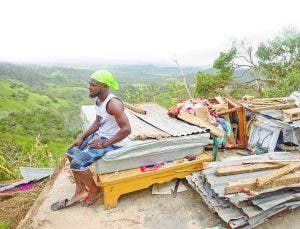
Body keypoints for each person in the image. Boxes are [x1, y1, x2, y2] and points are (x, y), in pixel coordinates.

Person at [51, 70, 131, 210]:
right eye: (90, 84)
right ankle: (81, 190)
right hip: (102, 135)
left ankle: (95, 191)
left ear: (104, 86)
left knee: (77, 164)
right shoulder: (99, 99)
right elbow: (98, 122)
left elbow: (126, 129)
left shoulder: (113, 104)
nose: (89, 87)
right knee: (71, 152)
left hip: (113, 141)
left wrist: (104, 143)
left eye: (93, 84)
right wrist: (81, 138)